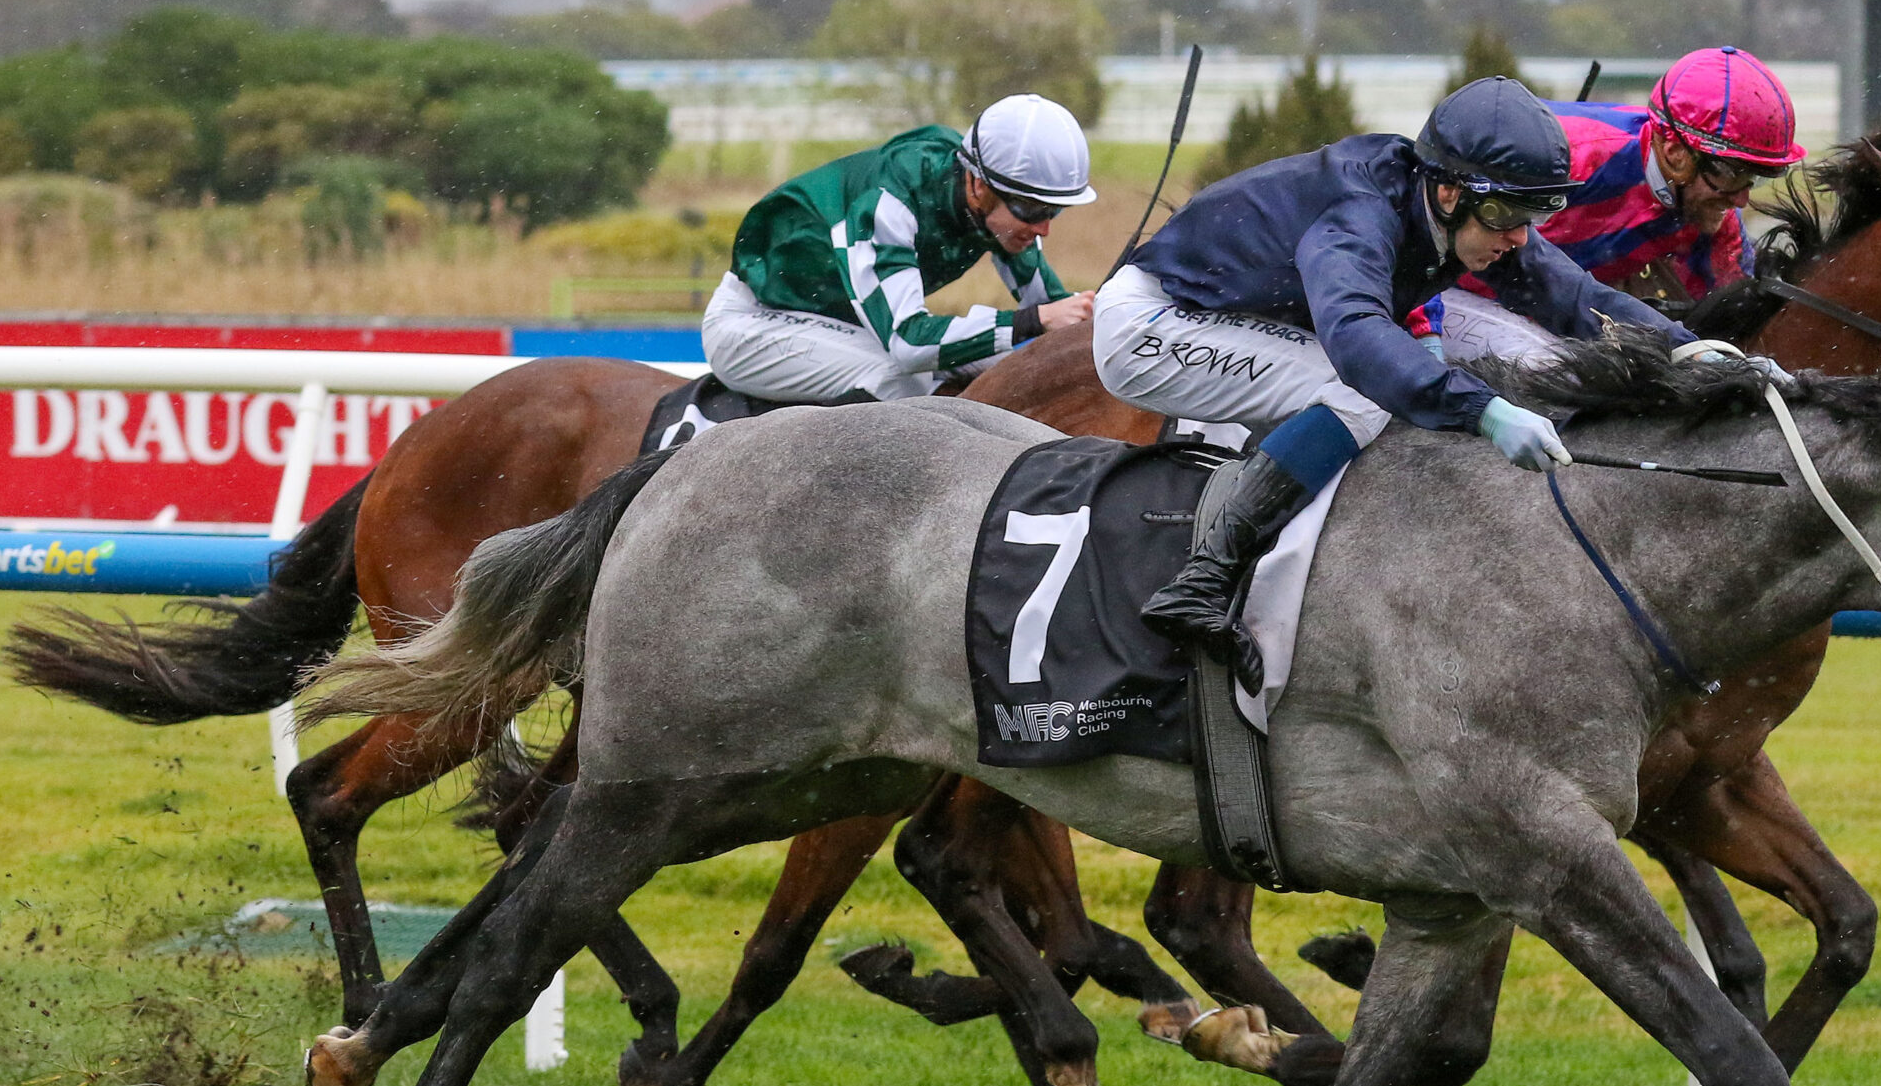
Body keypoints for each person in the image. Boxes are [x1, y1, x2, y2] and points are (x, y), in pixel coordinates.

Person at [1093, 75, 1699, 688]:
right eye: (1506, 214)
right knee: (1359, 394)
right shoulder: (1360, 212)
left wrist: (1689, 351)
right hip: (1150, 324)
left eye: (1536, 214)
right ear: (1447, 192)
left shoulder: (1459, 210)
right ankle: (1202, 582)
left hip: (1222, 316)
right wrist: (1484, 410)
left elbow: (1576, 296)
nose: (1519, 236)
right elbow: (1357, 339)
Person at [701, 95, 1098, 403]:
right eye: (1032, 209)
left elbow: (1054, 309)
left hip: (846, 328)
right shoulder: (890, 203)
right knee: (898, 380)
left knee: (1006, 366)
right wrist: (1034, 320)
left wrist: (1095, 314)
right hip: (754, 324)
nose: (1043, 227)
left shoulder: (987, 199)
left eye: (1054, 210)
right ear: (979, 186)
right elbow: (909, 343)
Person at [1421, 45, 1804, 365]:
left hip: (1558, 303)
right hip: (1439, 291)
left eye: (1756, 177)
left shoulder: (1713, 214)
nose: (1741, 198)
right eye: (1733, 174)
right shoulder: (1573, 160)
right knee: (1551, 367)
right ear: (1675, 154)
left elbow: (1727, 332)